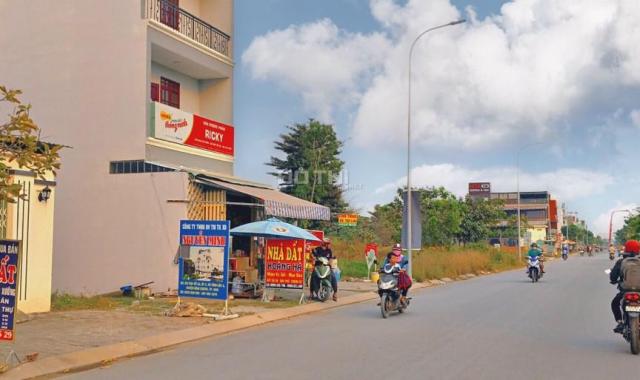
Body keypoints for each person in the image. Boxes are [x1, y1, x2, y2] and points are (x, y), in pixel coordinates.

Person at [609, 239, 640, 333]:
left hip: (625, 291)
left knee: (614, 303)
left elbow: (613, 276)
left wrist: (614, 281)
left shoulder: (621, 262)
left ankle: (620, 322)